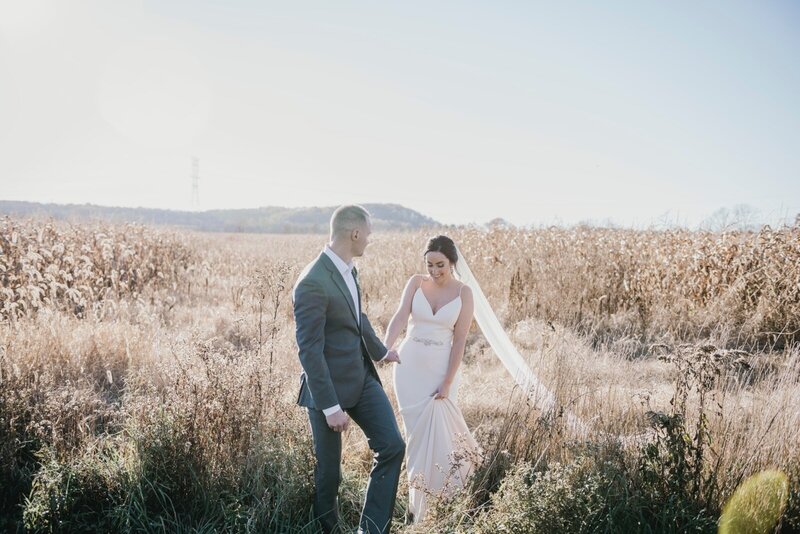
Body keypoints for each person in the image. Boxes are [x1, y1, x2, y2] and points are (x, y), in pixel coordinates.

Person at [293, 205, 405, 534]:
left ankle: (371, 531)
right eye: (368, 234)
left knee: (392, 446)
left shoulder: (349, 269)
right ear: (354, 233)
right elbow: (309, 350)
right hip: (327, 389)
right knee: (330, 474)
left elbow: (358, 318)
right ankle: (327, 529)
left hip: (362, 379)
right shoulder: (311, 281)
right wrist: (330, 407)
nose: (369, 240)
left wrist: (382, 352)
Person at [384, 235, 480, 522]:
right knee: (415, 437)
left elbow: (460, 340)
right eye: (429, 264)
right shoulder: (416, 283)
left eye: (440, 265)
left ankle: (442, 504)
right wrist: (385, 347)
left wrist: (448, 382)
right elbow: (400, 317)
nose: (434, 271)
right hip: (408, 368)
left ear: (452, 262)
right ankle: (417, 510)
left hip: (441, 371)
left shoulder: (464, 293)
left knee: (439, 435)